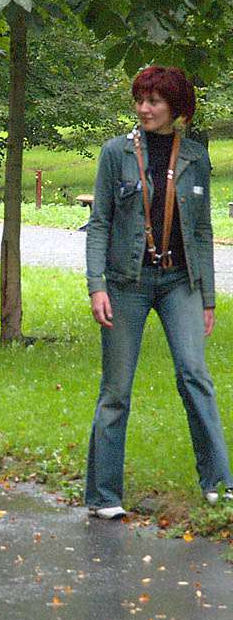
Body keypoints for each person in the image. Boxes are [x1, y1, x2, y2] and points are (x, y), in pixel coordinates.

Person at [85, 66, 233, 519]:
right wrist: (97, 286)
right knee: (116, 390)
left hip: (179, 282)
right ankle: (103, 496)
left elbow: (202, 231)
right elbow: (100, 223)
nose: (144, 108)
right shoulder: (115, 153)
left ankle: (218, 484)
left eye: (154, 101)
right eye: (140, 100)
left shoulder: (195, 156)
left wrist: (208, 297)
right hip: (125, 283)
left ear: (176, 107)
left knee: (195, 375)